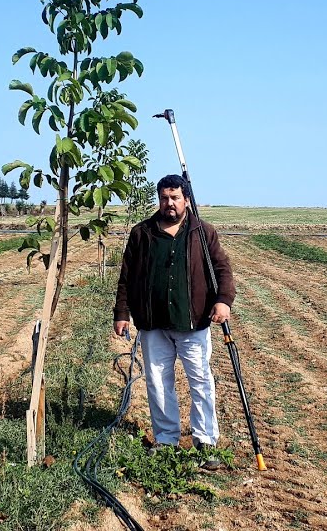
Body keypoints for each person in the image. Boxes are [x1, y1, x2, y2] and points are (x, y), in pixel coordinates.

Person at [114, 174, 235, 470]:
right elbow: (127, 277)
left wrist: (223, 301)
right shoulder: (142, 232)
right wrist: (122, 313)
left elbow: (223, 270)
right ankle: (166, 439)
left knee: (201, 382)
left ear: (186, 200)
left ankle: (205, 441)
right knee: (157, 382)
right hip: (153, 323)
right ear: (159, 199)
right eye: (165, 198)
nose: (170, 204)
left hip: (193, 322)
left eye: (175, 198)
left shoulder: (203, 233)